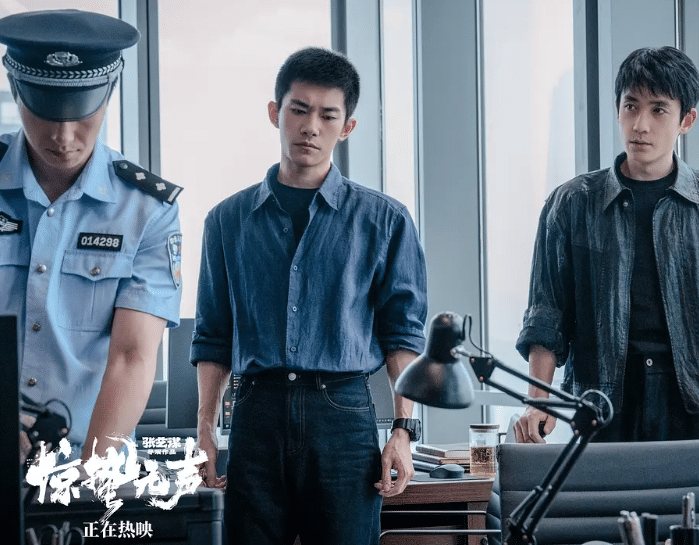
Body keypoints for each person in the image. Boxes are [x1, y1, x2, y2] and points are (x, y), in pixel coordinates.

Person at [513, 46, 699, 455]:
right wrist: (537, 400)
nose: (640, 125)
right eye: (631, 106)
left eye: (658, 110)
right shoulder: (572, 205)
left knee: (696, 501)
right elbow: (546, 314)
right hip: (602, 405)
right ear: (617, 111)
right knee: (604, 501)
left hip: (695, 405)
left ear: (687, 120)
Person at [191, 46, 428, 544]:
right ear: (275, 113)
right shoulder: (227, 221)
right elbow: (214, 335)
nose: (310, 127)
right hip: (256, 412)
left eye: (328, 115)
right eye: (299, 110)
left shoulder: (385, 220)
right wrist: (205, 428)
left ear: (347, 127)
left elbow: (403, 334)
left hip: (342, 416)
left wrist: (403, 432)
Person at [0, 9, 183, 461]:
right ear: (15, 88)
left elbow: (132, 356)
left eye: (81, 112)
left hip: (89, 458)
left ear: (109, 91)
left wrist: (88, 476)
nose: (63, 135)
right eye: (45, 111)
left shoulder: (147, 210)